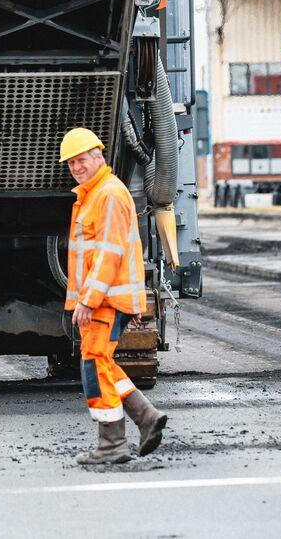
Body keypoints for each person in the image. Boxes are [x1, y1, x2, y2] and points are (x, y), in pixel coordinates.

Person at [60, 127, 168, 465]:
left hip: (103, 301)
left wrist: (88, 300)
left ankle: (112, 444)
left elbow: (109, 255)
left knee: (94, 365)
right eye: (71, 163)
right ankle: (145, 417)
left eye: (81, 160)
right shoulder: (95, 195)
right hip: (107, 299)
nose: (76, 167)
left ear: (98, 157)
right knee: (101, 363)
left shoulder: (107, 195)